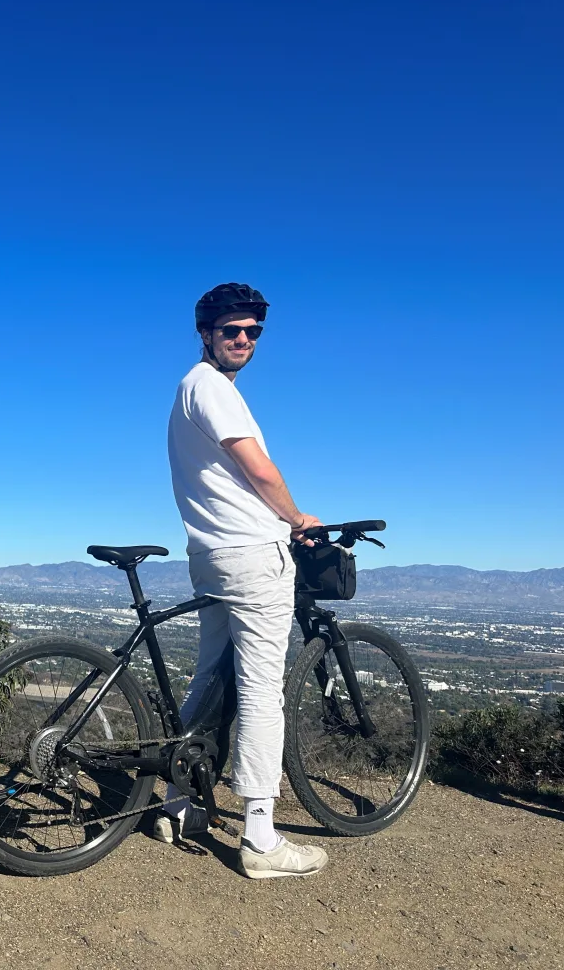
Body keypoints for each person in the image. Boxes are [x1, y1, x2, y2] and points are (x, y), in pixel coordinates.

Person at [161, 283, 328, 879]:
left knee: (209, 676)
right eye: (231, 329)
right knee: (261, 690)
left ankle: (176, 804)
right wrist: (297, 516)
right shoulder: (213, 389)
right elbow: (258, 467)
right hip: (251, 556)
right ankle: (260, 838)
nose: (242, 340)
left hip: (208, 554)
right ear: (206, 332)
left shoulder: (189, 390)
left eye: (252, 332)